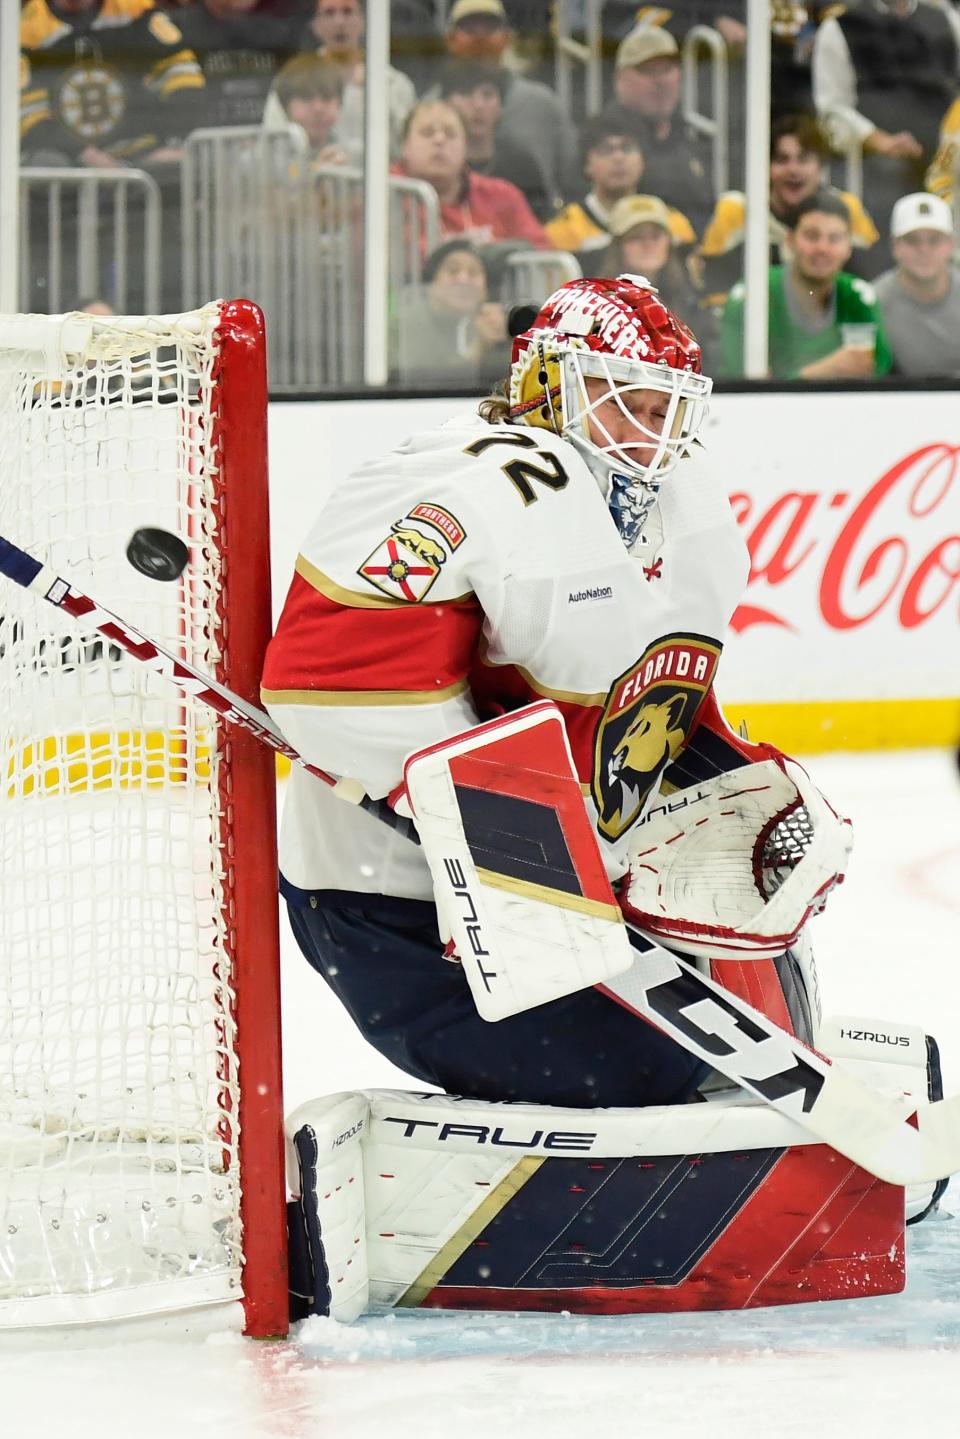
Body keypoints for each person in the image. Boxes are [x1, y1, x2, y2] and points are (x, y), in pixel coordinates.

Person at [260, 274, 819, 1108]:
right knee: (645, 1074)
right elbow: (327, 685)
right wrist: (508, 837)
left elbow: (657, 694)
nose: (651, 431)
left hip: (573, 893)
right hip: (394, 901)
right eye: (623, 399)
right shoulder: (458, 487)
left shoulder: (676, 504)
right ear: (547, 384)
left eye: (665, 406)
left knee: (758, 1014)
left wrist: (724, 780)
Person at [812, 0, 960, 248]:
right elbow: (831, 109)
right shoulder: (841, 26)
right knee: (889, 174)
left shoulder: (945, 20)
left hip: (946, 153)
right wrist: (876, 139)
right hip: (876, 160)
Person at [699, 113, 881, 312]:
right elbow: (714, 294)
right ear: (766, 165)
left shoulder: (845, 210)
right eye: (782, 159)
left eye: (804, 159)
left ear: (820, 166)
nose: (793, 170)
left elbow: (868, 286)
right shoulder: (737, 210)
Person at [720, 188, 892, 379]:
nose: (822, 248)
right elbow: (742, 386)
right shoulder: (755, 295)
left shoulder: (856, 296)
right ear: (790, 240)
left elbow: (865, 366)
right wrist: (821, 372)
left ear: (848, 247)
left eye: (834, 239)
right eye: (811, 236)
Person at [19, 0, 205, 168]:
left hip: (143, 153)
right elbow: (30, 114)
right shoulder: (27, 27)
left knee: (183, 165)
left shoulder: (136, 10)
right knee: (48, 165)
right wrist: (88, 155)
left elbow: (181, 76)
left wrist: (176, 139)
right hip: (72, 160)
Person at [440, 0, 580, 206]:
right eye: (469, 28)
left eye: (490, 28)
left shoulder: (542, 105)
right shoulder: (432, 109)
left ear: (507, 38)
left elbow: (574, 182)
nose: (480, 38)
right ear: (450, 39)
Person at [600, 24, 715, 237]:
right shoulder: (604, 144)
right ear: (620, 80)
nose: (660, 81)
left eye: (668, 69)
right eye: (647, 71)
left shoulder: (692, 138)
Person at [394, 99, 549, 251]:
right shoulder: (383, 196)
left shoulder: (502, 195)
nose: (439, 140)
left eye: (450, 133)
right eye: (427, 133)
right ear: (404, 147)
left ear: (466, 148)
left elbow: (542, 256)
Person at [545, 114, 696, 259]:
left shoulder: (672, 224)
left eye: (627, 148)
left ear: (643, 161)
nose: (618, 158)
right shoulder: (562, 230)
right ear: (586, 164)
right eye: (606, 150)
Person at [289, 0, 417, 160]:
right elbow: (276, 143)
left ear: (363, 20)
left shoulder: (395, 84)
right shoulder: (292, 81)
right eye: (329, 13)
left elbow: (409, 148)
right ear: (315, 24)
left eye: (348, 12)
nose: (339, 22)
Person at [437, 59, 553, 221]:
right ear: (445, 103)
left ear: (501, 105)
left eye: (488, 95)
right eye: (465, 93)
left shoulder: (521, 164)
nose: (478, 105)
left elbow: (541, 226)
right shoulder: (436, 163)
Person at [392, 237, 512, 386]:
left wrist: (505, 342)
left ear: (486, 290)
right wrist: (478, 347)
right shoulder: (410, 324)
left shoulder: (495, 323)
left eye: (473, 273)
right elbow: (427, 385)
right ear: (430, 284)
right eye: (453, 271)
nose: (463, 280)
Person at [591, 194, 707, 347]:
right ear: (617, 247)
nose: (647, 245)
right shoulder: (595, 302)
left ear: (669, 243)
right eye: (636, 237)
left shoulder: (690, 301)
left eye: (655, 236)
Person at [873, 192, 960, 377]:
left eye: (934, 240)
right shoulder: (875, 301)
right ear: (895, 246)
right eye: (912, 240)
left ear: (951, 245)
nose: (924, 250)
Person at [273, 53, 348, 165]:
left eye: (326, 98)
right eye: (306, 97)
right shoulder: (265, 158)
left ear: (340, 103)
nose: (318, 109)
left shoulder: (356, 154)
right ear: (285, 105)